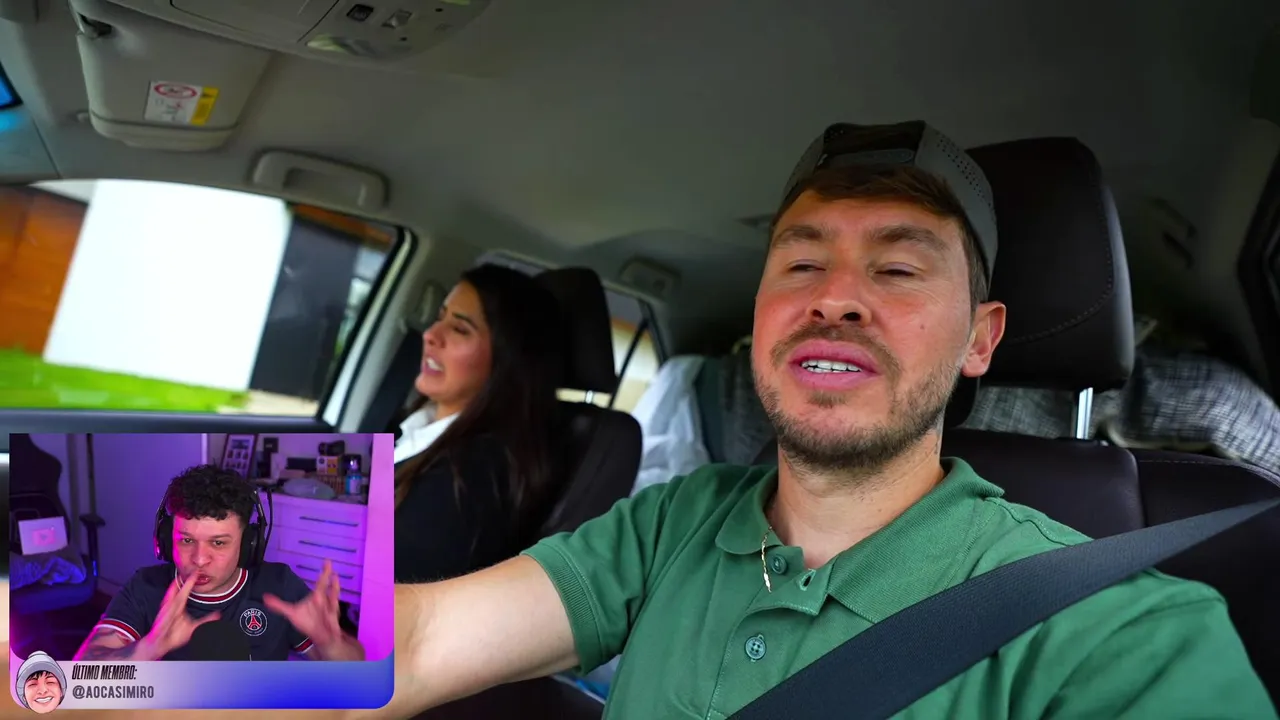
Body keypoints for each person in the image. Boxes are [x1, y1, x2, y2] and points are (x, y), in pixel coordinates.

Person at [344, 120, 1273, 719]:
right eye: (800, 264)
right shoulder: (674, 522)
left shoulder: (1124, 633)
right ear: (759, 317)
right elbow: (411, 642)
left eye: (898, 268)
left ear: (979, 339)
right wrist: (245, 576)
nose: (836, 298)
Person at [73, 464, 364, 662]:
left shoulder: (279, 586)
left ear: (249, 544)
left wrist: (331, 644)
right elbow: (85, 673)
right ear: (165, 538)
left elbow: (358, 670)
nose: (199, 559)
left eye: (219, 543)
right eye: (186, 540)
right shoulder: (146, 587)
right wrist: (148, 648)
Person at [393, 263, 566, 583]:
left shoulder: (469, 477)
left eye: (460, 329)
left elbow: (379, 598)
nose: (431, 335)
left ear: (507, 361)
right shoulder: (413, 425)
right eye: (440, 317)